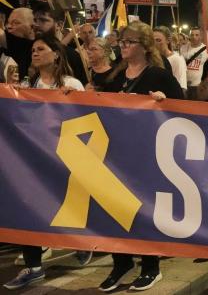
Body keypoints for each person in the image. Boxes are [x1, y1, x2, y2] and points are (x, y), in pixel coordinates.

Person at [99, 21, 182, 292]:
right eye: (122, 41)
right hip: (116, 153)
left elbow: (183, 106)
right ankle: (121, 262)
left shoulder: (159, 75)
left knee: (144, 209)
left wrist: (164, 101)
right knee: (115, 208)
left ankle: (150, 266)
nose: (123, 46)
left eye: (129, 41)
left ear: (145, 46)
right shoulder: (115, 76)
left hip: (147, 153)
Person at [3, 36, 91, 291]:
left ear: (56, 54)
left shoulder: (72, 84)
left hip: (64, 157)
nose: (35, 53)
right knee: (28, 206)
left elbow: (86, 119)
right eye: (33, 49)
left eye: (41, 49)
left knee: (66, 206)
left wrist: (72, 100)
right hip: (33, 158)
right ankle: (33, 266)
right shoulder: (28, 85)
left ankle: (82, 242)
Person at [32, 5, 89, 85]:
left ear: (59, 25)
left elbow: (82, 88)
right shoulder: (29, 49)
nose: (36, 24)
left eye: (43, 20)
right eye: (35, 20)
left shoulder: (71, 56)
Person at [154, 26, 187, 92]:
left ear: (168, 40)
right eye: (152, 40)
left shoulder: (177, 59)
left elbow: (181, 88)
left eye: (158, 40)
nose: (154, 44)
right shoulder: (152, 58)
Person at [181, 27, 208, 100]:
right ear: (189, 36)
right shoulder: (183, 48)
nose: (194, 37)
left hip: (197, 86)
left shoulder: (207, 50)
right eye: (192, 35)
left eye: (197, 35)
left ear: (201, 36)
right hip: (183, 84)